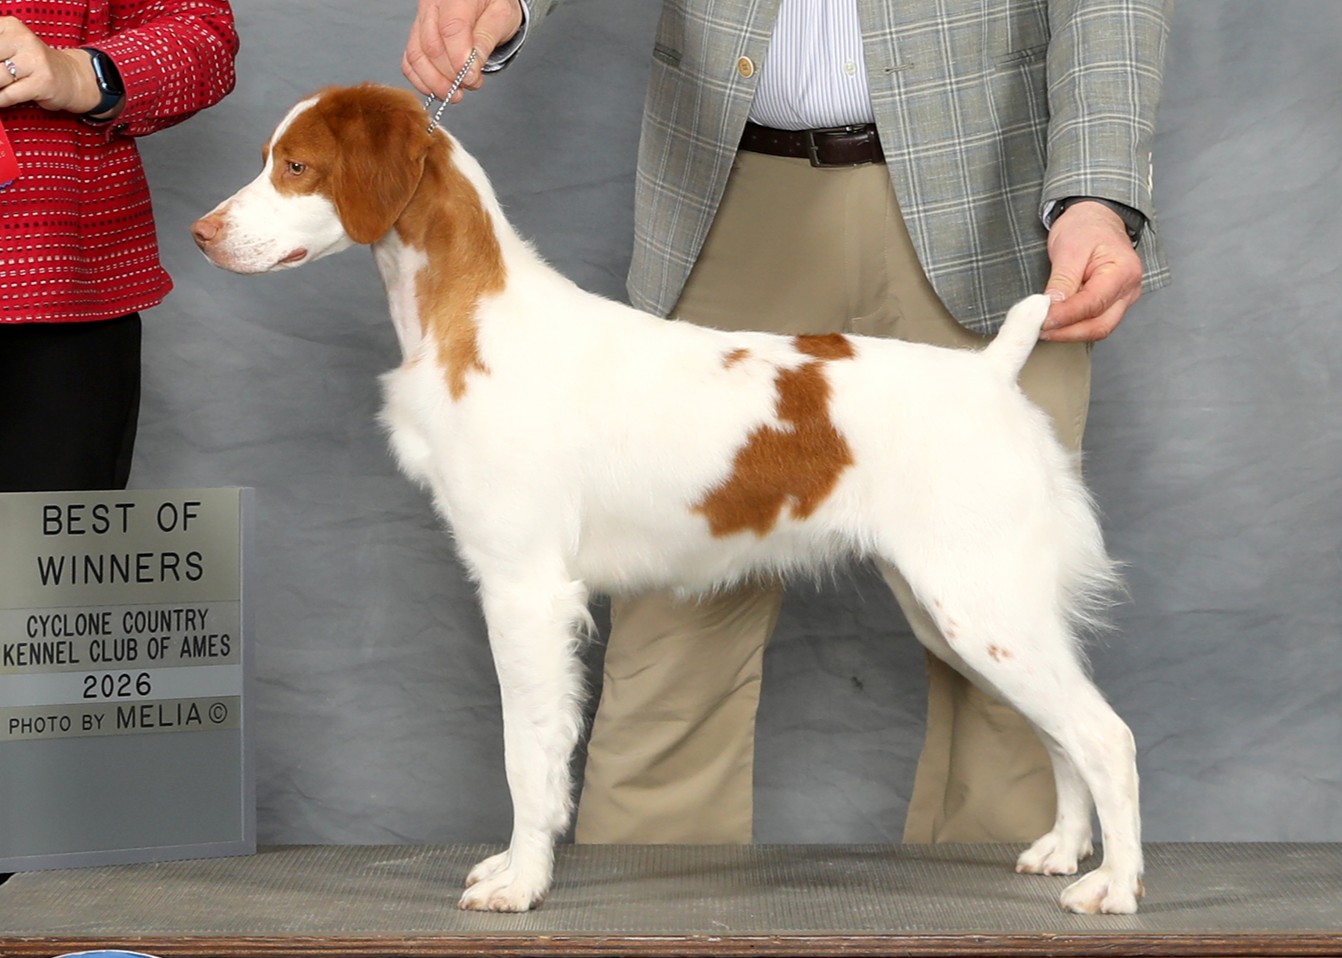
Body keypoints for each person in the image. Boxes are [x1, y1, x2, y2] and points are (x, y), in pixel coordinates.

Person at [404, 0, 1171, 845]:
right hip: (731, 183)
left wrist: (1095, 192)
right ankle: (642, 928)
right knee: (669, 661)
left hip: (986, 189)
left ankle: (1004, 923)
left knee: (1000, 647)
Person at [0, 1, 238, 493]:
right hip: (53, 283)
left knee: (53, 564)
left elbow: (203, 32)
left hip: (55, 291)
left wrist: (78, 73)